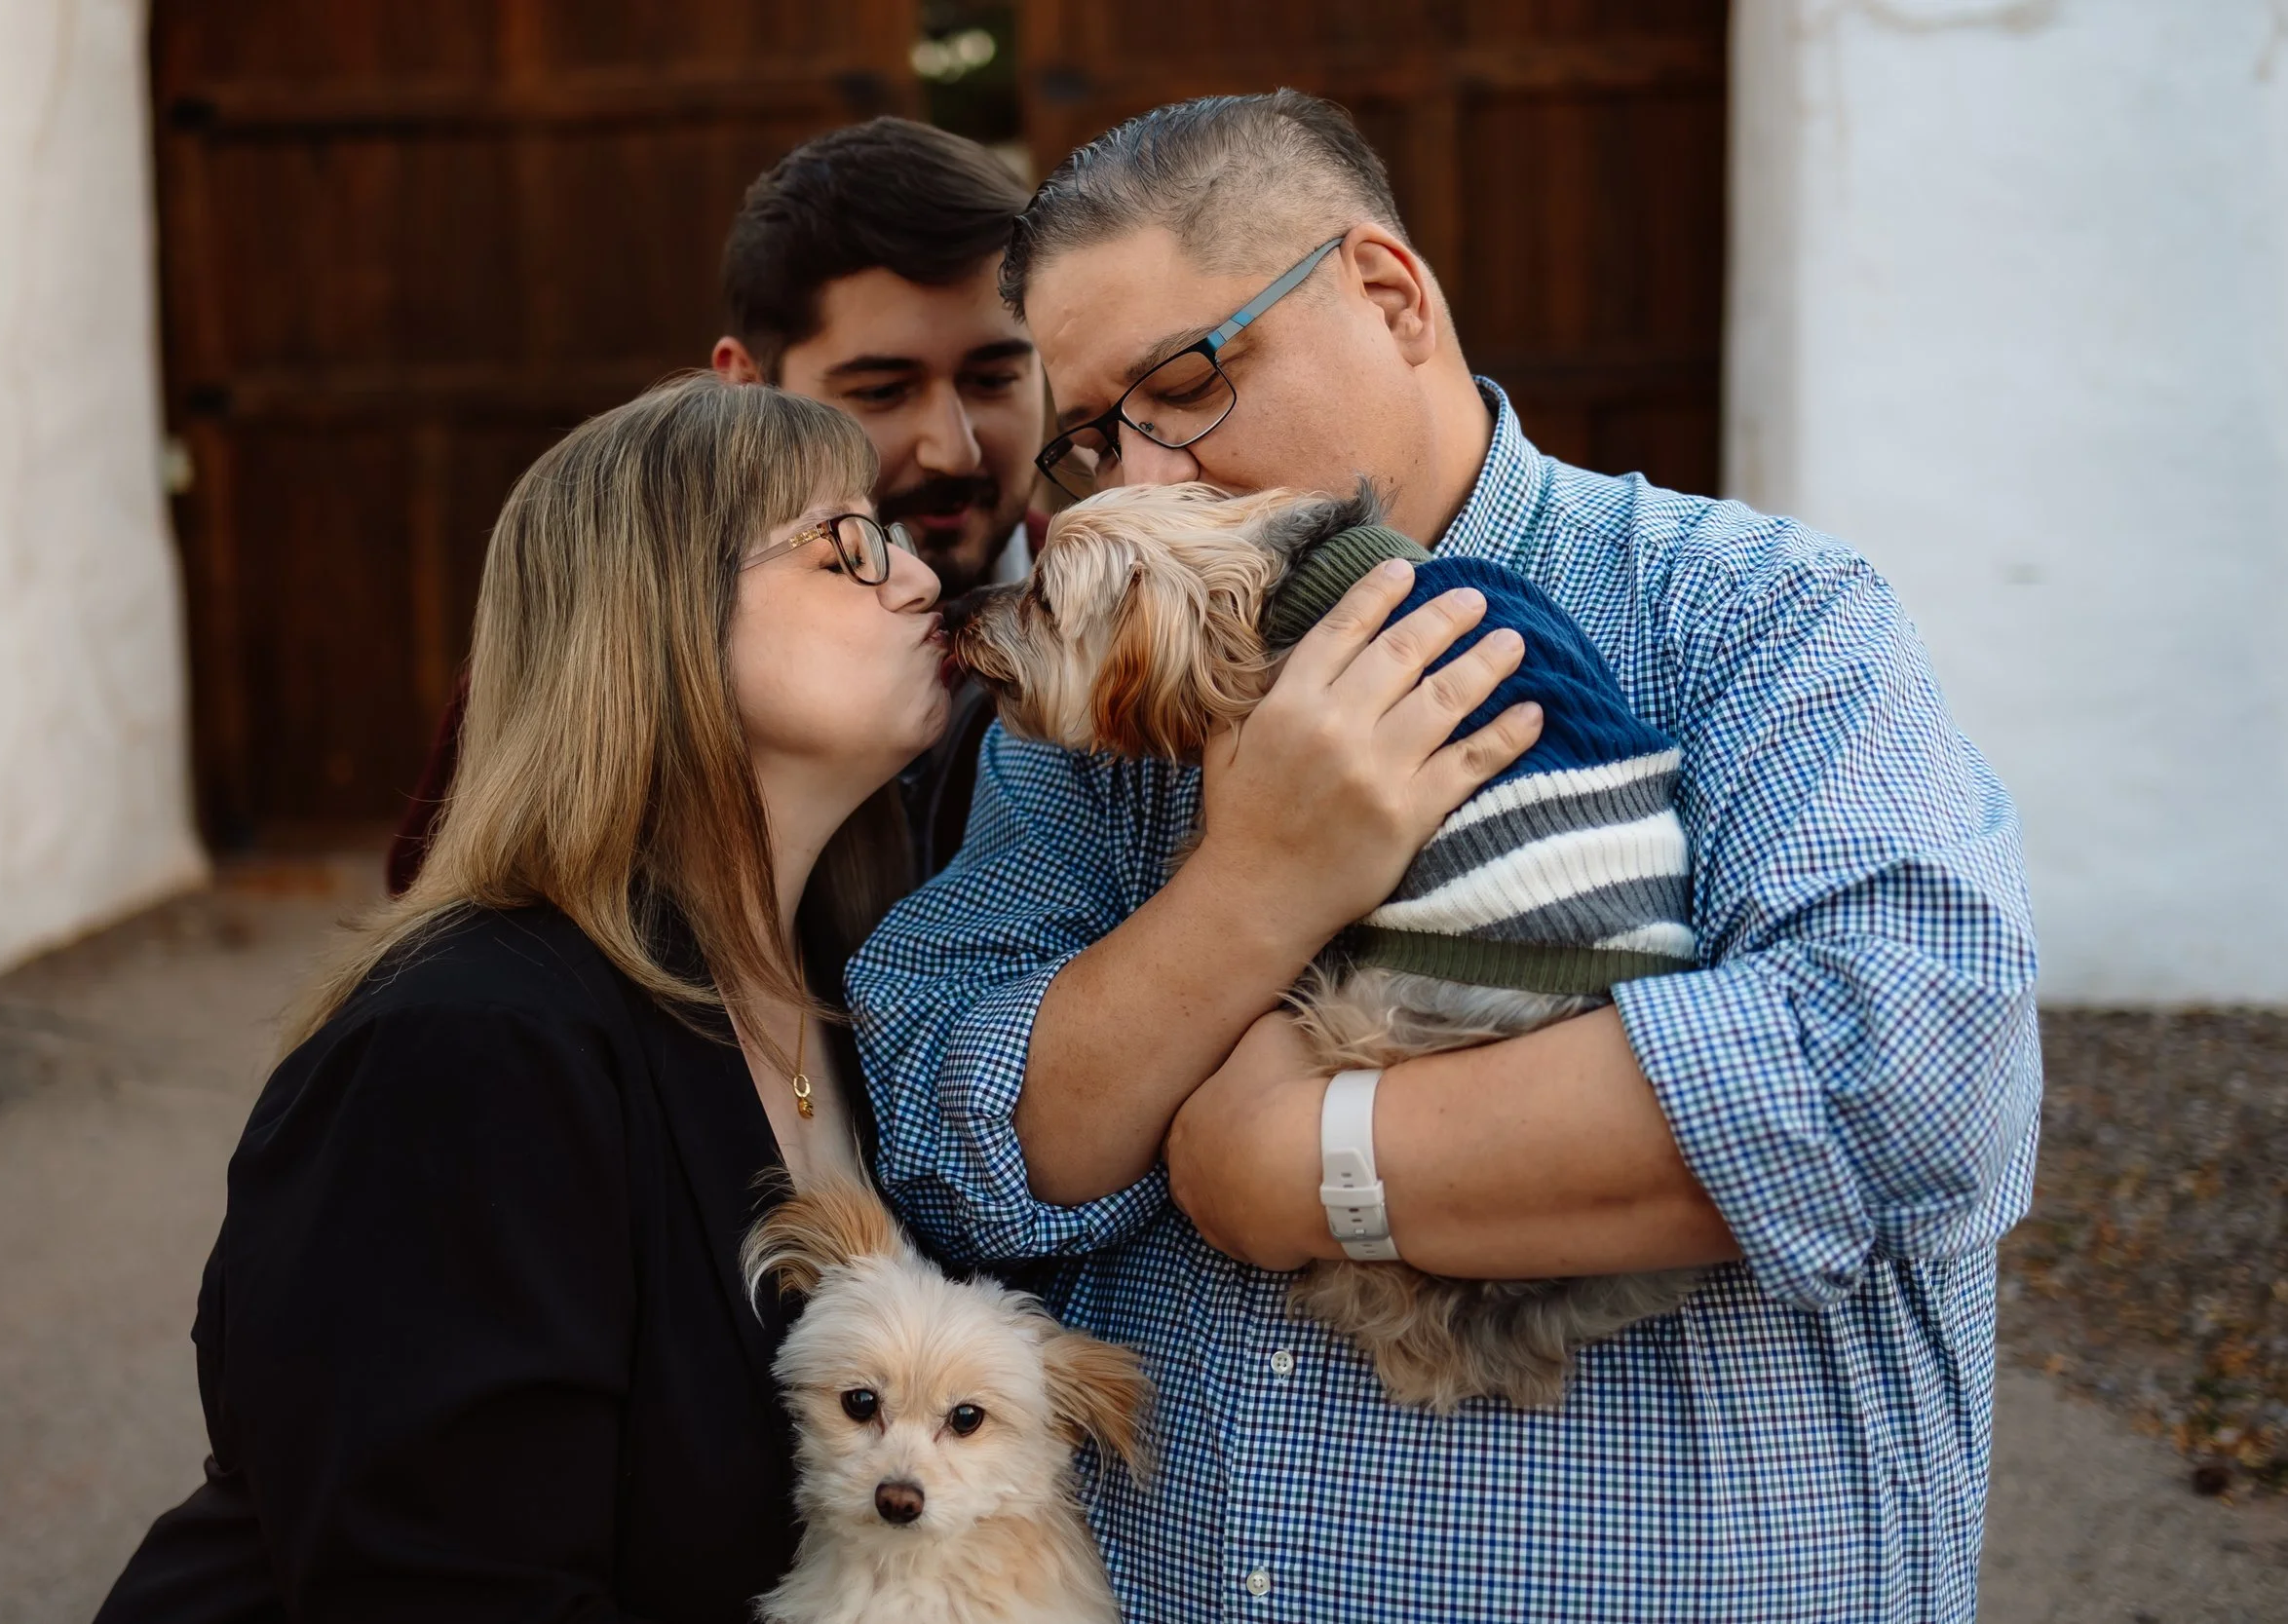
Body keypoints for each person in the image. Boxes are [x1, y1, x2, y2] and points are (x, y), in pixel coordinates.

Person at [852, 92, 2040, 1622]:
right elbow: (959, 1135)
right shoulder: (1099, 721)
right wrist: (1255, 886)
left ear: (1390, 297)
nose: (1141, 480)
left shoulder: (1754, 614)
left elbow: (1909, 1077)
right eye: (1091, 440)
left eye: (1188, 381)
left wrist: (1292, 1166)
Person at [96, 376, 950, 1622]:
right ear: (655, 615)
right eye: (847, 545)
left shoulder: (846, 992)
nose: (918, 576)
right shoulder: (466, 1044)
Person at [387, 117, 1043, 893]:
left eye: (994, 378)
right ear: (747, 384)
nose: (954, 448)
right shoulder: (614, 638)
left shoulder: (1132, 611)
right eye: (883, 392)